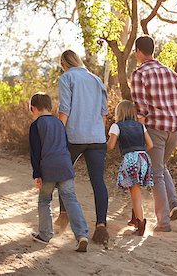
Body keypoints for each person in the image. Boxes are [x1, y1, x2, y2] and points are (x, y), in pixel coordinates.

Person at [131, 35, 177, 232]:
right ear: (153, 50)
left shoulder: (139, 74)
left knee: (156, 173)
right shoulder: (172, 73)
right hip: (173, 128)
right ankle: (174, 203)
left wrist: (139, 132)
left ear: (138, 51)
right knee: (160, 167)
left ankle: (163, 222)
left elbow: (141, 109)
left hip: (155, 129)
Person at [57, 50, 109, 245]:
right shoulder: (96, 80)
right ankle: (101, 226)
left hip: (74, 136)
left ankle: (64, 215)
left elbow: (64, 110)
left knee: (63, 175)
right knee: (98, 182)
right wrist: (98, 133)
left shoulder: (66, 78)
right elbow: (104, 113)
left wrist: (57, 135)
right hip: (97, 137)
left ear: (64, 64)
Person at [29, 92, 89, 252]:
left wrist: (37, 174)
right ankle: (82, 235)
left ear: (33, 108)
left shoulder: (36, 126)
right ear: (50, 107)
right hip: (65, 166)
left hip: (47, 167)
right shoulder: (59, 123)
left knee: (44, 200)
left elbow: (35, 151)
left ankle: (45, 234)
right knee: (71, 199)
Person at [106, 100, 154, 236]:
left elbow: (110, 146)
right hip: (143, 157)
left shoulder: (116, 126)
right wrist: (139, 152)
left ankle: (140, 222)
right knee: (135, 190)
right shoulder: (140, 126)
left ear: (119, 112)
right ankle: (135, 218)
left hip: (131, 159)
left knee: (135, 193)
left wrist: (98, 146)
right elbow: (150, 144)